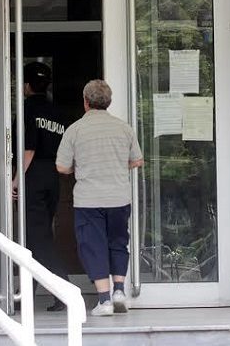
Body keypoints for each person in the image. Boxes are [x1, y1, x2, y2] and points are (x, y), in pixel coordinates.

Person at [55, 80, 144, 317]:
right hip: (119, 198)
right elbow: (137, 160)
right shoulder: (124, 128)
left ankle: (104, 300)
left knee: (93, 246)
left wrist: (79, 167)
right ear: (109, 102)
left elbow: (62, 167)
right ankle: (119, 291)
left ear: (85, 101)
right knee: (118, 242)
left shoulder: (75, 129)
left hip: (89, 200)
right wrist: (117, 164)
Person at [14, 61, 68, 312]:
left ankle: (64, 290)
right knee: (38, 236)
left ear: (26, 85)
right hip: (53, 176)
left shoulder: (27, 109)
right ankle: (26, 292)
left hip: (33, 175)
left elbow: (29, 149)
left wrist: (16, 179)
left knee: (38, 237)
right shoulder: (57, 112)